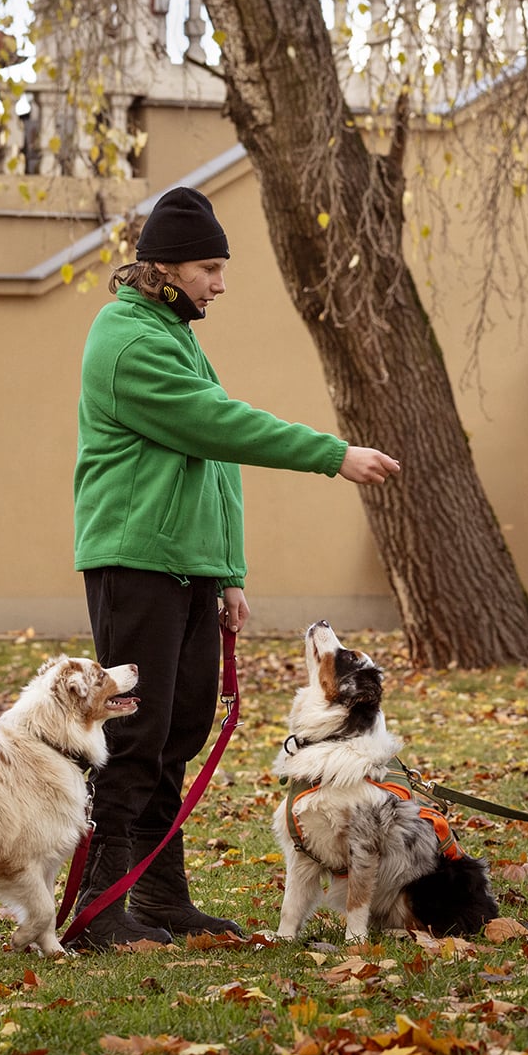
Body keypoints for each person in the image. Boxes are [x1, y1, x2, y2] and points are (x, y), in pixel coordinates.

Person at [68, 185, 401, 948]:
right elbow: (220, 427)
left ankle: (156, 897)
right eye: (209, 267)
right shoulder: (128, 339)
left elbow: (211, 467)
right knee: (134, 732)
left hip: (184, 566)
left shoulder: (173, 332)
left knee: (177, 730)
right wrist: (331, 454)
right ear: (165, 268)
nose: (219, 283)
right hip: (136, 560)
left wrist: (227, 576)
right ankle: (95, 906)